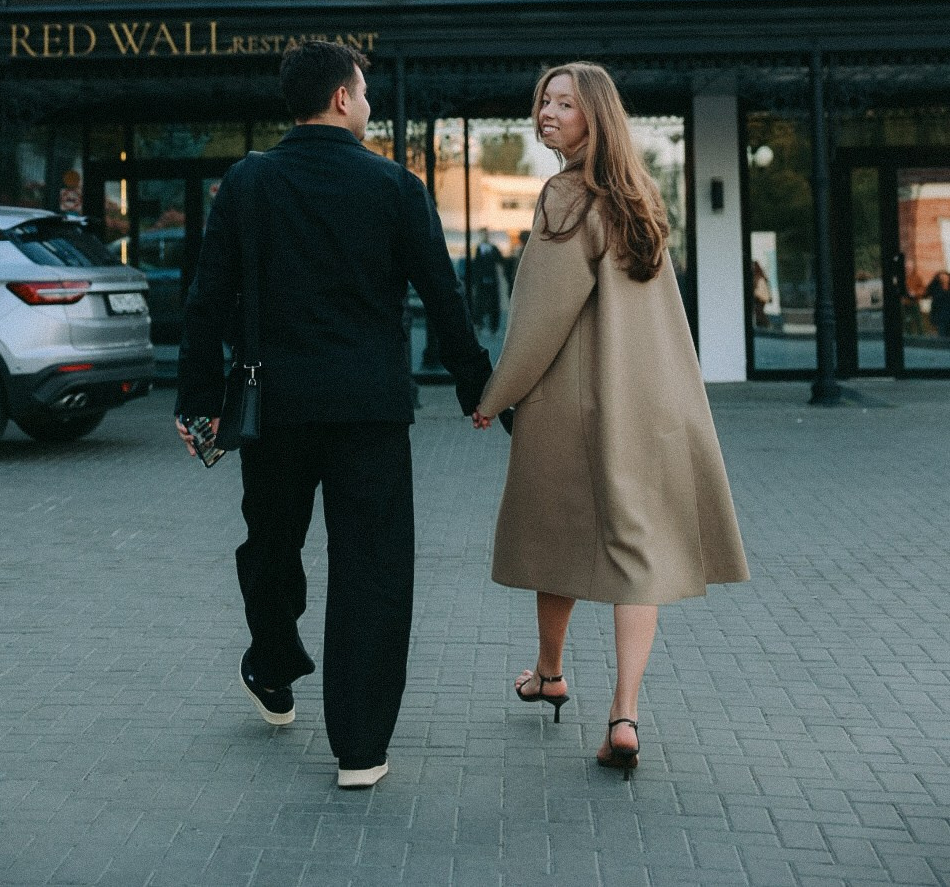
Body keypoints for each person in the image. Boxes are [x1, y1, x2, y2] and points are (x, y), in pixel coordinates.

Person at [174, 40, 492, 790]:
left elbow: (206, 301)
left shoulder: (248, 182)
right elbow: (444, 299)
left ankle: (273, 664)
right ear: (343, 99)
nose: (369, 105)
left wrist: (198, 405)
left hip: (273, 410)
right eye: (365, 93)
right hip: (369, 414)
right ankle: (360, 747)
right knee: (372, 571)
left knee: (271, 547)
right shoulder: (395, 187)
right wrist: (482, 392)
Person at [473, 62, 749, 776]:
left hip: (575, 403)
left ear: (595, 116)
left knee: (555, 531)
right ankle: (622, 715)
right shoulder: (641, 196)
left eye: (564, 104)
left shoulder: (565, 197)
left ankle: (550, 671)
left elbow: (540, 318)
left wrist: (495, 395)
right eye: (544, 101)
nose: (547, 113)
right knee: (637, 552)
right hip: (653, 402)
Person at [472, 228, 503, 334]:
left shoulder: (493, 248)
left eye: (486, 234)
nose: (485, 236)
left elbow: (500, 260)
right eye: (483, 234)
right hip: (481, 280)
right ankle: (479, 324)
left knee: (494, 303)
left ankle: (493, 326)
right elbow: (476, 265)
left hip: (492, 280)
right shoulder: (478, 248)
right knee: (479, 302)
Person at [924, 270, 950, 337]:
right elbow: (927, 294)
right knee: (942, 334)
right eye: (942, 278)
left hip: (947, 313)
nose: (944, 279)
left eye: (946, 277)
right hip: (940, 314)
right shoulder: (935, 287)